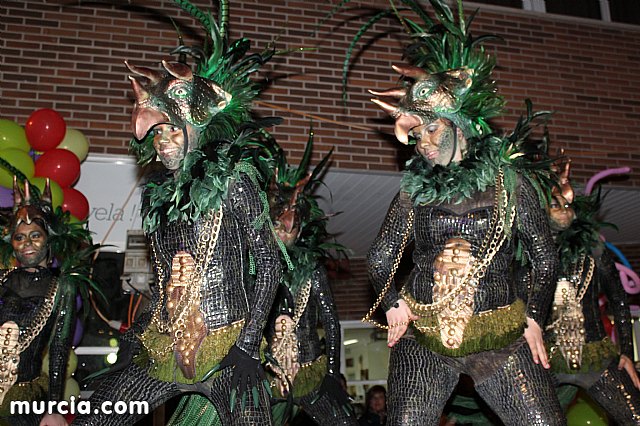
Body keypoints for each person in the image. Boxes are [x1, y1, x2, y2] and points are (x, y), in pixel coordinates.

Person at [354, 0, 565, 423]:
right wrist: (393, 304)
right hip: (426, 337)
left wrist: (535, 318)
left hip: (502, 334)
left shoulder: (510, 182)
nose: (424, 143)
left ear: (459, 124)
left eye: (431, 128)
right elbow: (379, 257)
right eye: (416, 134)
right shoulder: (413, 192)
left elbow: (544, 257)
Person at [71, 2, 281, 425]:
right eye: (158, 133)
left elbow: (270, 262)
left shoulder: (234, 181)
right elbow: (164, 275)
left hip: (229, 341)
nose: (164, 142)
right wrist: (137, 332)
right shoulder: (157, 198)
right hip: (167, 342)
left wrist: (248, 344)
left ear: (195, 128)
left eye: (172, 129)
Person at [264, 137, 357, 425]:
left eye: (293, 227)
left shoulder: (312, 269)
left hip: (309, 367)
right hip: (264, 371)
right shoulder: (255, 267)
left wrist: (331, 373)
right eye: (279, 225)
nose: (286, 232)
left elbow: (331, 322)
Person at [542, 158, 640, 424]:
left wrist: (626, 355)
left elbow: (618, 299)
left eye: (568, 205)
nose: (563, 210)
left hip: (596, 357)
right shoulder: (527, 253)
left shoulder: (592, 249)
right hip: (546, 360)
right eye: (554, 204)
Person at [0, 178, 96, 426]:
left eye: (35, 235)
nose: (27, 244)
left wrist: (53, 408)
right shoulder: (3, 279)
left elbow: (58, 351)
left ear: (49, 239)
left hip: (24, 398)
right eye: (19, 237)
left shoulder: (62, 285)